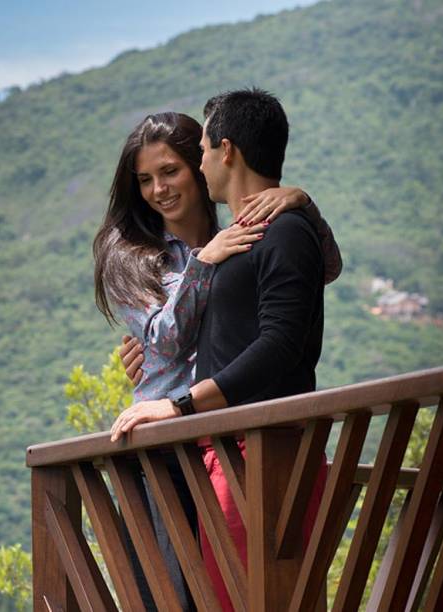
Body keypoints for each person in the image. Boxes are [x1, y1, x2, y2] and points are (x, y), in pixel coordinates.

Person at [109, 90, 330, 612]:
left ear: (212, 159)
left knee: (238, 594)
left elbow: (305, 284)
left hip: (228, 438)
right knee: (181, 597)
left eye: (173, 170)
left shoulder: (251, 230)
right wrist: (202, 265)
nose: (159, 189)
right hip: (168, 451)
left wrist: (298, 199)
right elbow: (162, 337)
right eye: (144, 179)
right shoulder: (135, 257)